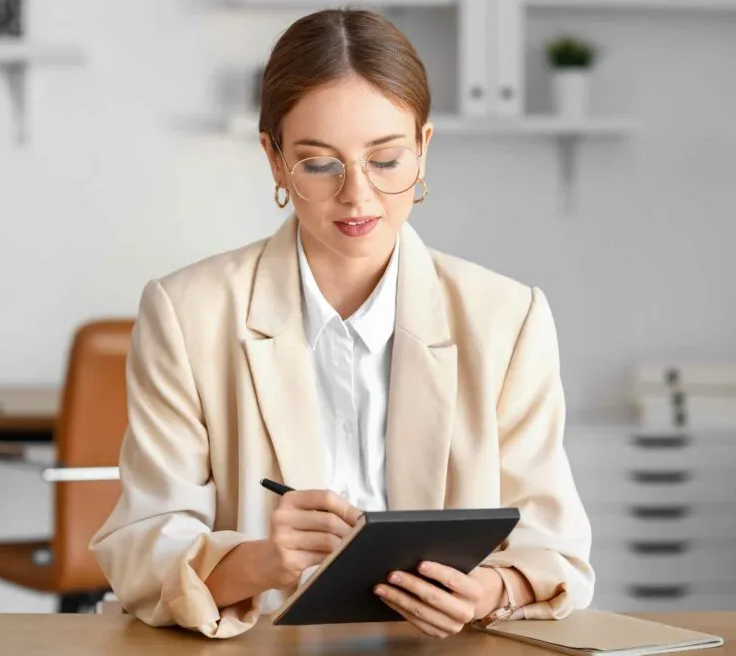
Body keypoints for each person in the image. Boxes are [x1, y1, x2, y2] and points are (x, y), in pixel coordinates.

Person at [90, 8, 594, 640]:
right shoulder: (187, 312)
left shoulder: (507, 318)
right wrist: (261, 562)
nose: (358, 197)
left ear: (424, 149)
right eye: (320, 163)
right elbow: (140, 547)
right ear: (274, 160)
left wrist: (485, 592)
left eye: (386, 161)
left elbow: (558, 549)